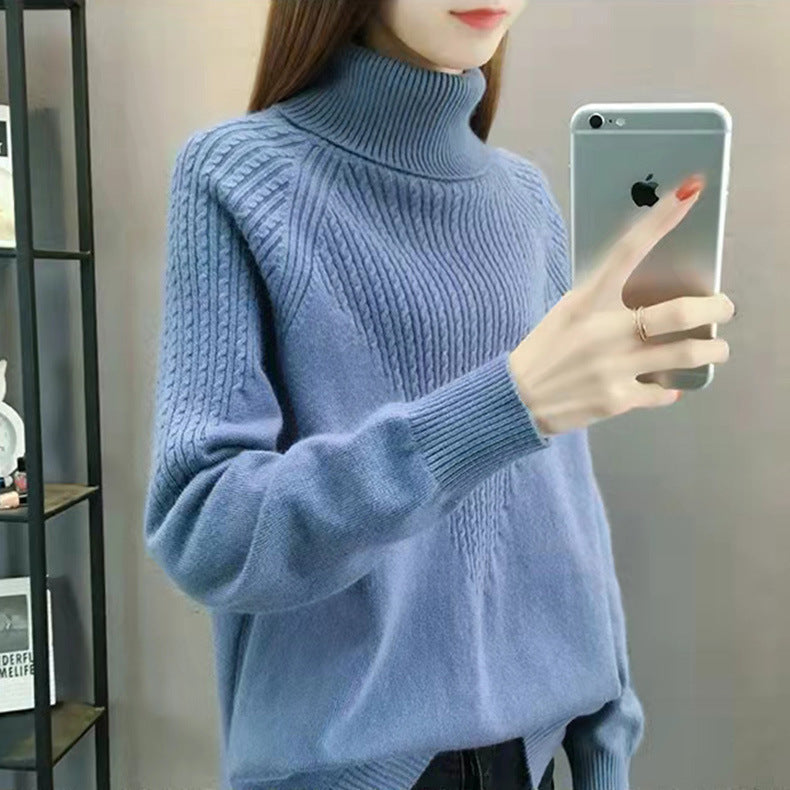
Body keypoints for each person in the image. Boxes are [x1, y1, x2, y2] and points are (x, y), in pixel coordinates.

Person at [143, 2, 735, 790]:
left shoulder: (525, 201)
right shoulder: (235, 175)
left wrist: (604, 751)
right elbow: (204, 530)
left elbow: (566, 507)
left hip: (529, 764)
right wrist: (505, 407)